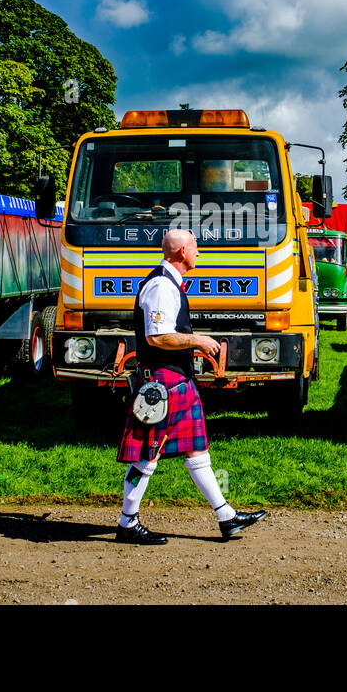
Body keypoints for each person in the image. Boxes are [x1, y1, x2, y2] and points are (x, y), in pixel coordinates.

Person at [115, 228, 268, 544]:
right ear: (182, 251)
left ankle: (225, 516)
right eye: (195, 247)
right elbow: (156, 336)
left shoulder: (169, 283)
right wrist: (197, 340)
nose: (198, 252)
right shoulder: (159, 286)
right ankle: (127, 521)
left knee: (196, 449)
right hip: (163, 380)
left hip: (176, 379)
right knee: (149, 453)